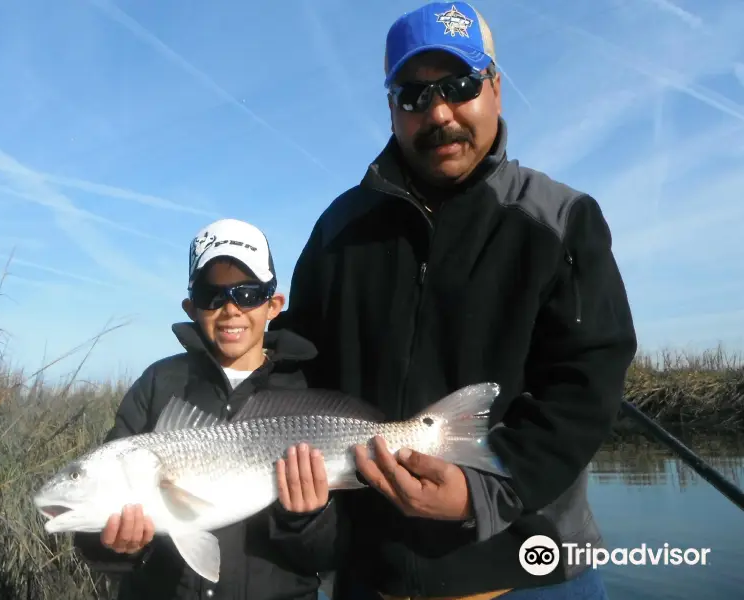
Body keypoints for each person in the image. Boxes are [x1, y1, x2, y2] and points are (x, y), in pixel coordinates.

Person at [270, 2, 638, 599]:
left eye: (459, 86)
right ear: (392, 109)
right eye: (413, 96)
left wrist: (486, 490)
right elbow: (296, 366)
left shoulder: (561, 219)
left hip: (533, 575)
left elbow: (587, 383)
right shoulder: (338, 231)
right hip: (375, 578)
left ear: (494, 87)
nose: (439, 112)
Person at [73, 218, 338, 600]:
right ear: (191, 307)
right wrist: (117, 545)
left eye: (248, 293)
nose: (230, 308)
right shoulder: (158, 383)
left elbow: (336, 552)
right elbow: (94, 532)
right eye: (210, 294)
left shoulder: (312, 390)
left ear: (274, 305)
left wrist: (307, 520)